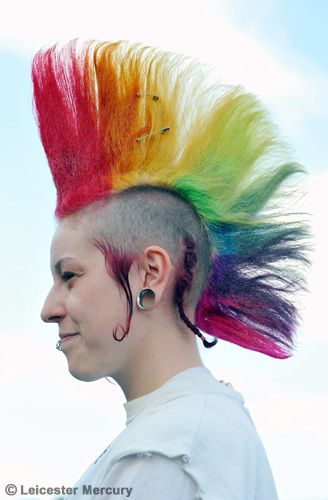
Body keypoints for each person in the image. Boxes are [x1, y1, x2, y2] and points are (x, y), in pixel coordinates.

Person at [32, 38, 310, 499]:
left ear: (150, 275)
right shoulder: (181, 434)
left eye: (70, 276)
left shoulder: (166, 453)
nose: (48, 308)